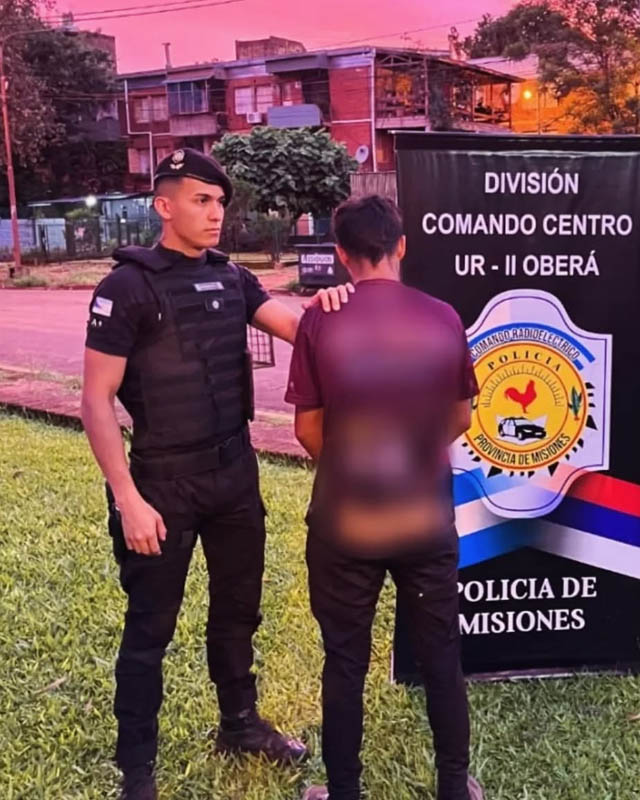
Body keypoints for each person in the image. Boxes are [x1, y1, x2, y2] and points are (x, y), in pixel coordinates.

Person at [81, 147, 352, 800]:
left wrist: (338, 305)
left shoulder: (232, 278)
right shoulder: (126, 288)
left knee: (237, 612)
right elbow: (95, 400)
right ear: (163, 206)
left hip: (234, 477)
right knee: (150, 629)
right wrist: (128, 499)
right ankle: (136, 769)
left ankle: (240, 725)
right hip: (161, 486)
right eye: (200, 200)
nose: (215, 213)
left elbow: (300, 328)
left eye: (220, 202)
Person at [285, 195, 484, 800]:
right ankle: (454, 787)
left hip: (346, 519)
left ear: (341, 254)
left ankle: (343, 791)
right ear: (402, 245)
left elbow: (307, 430)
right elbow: (461, 416)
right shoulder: (443, 317)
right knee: (441, 654)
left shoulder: (320, 320)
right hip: (424, 516)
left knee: (345, 660)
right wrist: (410, 456)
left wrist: (356, 465)